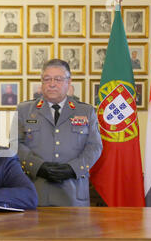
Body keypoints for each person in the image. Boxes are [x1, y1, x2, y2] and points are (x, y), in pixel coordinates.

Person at [13, 59, 102, 206]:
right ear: (41, 83)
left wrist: (73, 169)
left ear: (69, 82)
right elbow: (15, 144)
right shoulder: (24, 110)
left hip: (74, 193)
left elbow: (95, 147)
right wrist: (37, 166)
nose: (52, 84)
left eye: (58, 79)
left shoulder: (86, 111)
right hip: (37, 190)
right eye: (47, 79)